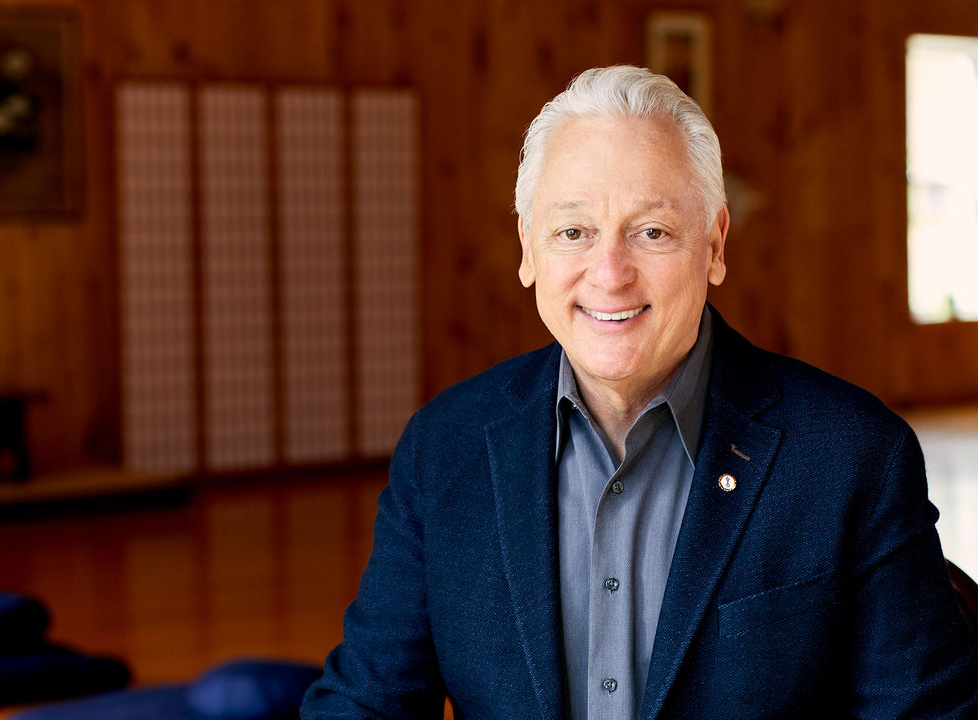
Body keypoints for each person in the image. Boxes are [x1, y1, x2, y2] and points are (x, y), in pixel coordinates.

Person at [300, 65, 978, 719]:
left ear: (713, 247)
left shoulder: (854, 456)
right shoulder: (444, 448)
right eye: (573, 233)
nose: (610, 273)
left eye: (651, 232)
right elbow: (369, 701)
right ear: (528, 250)